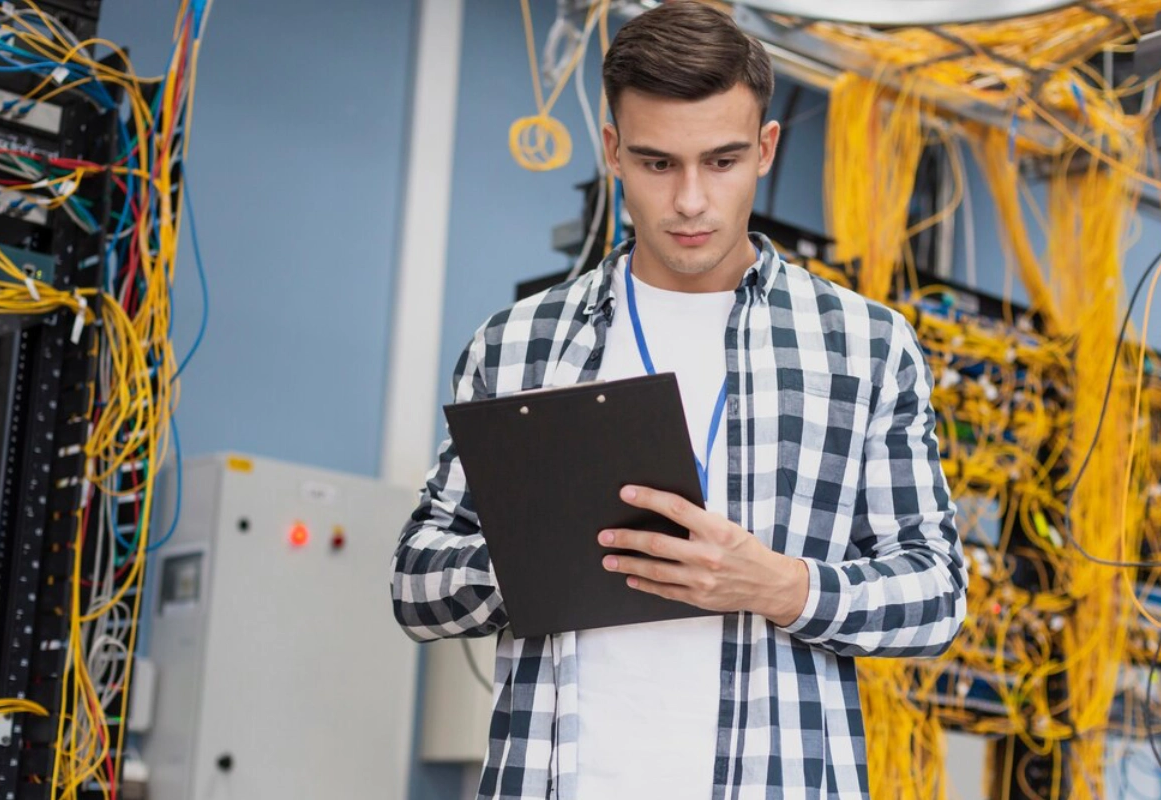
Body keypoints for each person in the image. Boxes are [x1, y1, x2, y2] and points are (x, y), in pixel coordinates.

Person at [391, 3, 967, 798]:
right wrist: (545, 560)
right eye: (658, 164)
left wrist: (779, 585)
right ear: (613, 152)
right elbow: (415, 584)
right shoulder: (520, 345)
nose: (691, 201)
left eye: (721, 162)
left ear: (765, 149)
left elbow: (937, 596)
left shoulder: (865, 346)